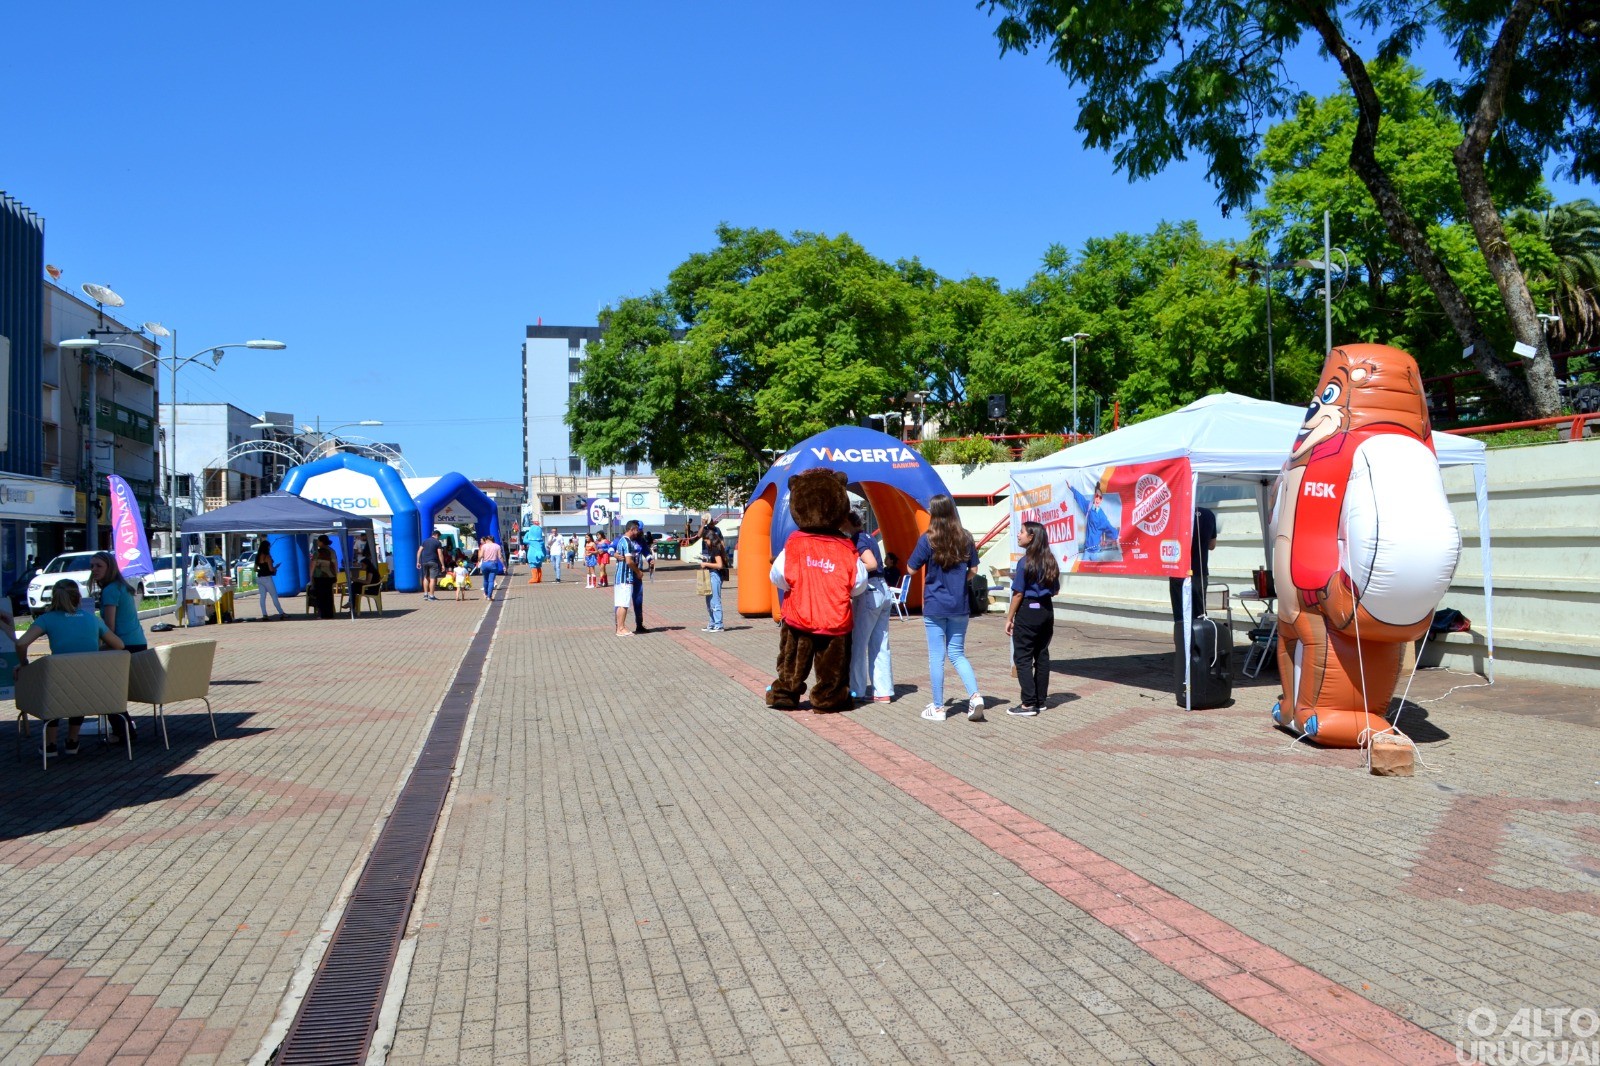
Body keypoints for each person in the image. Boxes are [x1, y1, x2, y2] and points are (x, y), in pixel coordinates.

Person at [14, 579, 125, 756]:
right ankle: (72, 741)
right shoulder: (91, 619)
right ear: (78, 597)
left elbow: (21, 643)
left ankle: (50, 744)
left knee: (52, 692)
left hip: (58, 683)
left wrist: (23, 662)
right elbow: (119, 645)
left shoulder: (47, 619)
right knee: (77, 688)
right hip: (91, 687)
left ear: (54, 598)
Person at [907, 494, 986, 722]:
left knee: (936, 657)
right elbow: (974, 570)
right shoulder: (966, 537)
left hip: (935, 604)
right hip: (959, 605)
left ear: (934, 513)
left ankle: (939, 708)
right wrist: (961, 580)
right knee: (957, 654)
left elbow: (911, 569)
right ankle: (975, 695)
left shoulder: (928, 539)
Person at [1005, 520, 1062, 716]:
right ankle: (1040, 700)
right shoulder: (1050, 561)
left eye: (1021, 532)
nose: (1018, 535)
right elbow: (1055, 591)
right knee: (1042, 654)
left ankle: (1028, 704)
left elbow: (1018, 593)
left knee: (1022, 657)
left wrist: (1009, 617)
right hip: (1046, 609)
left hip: (1028, 610)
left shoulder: (1025, 562)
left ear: (1032, 537)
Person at [90, 550, 147, 742]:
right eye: (92, 566)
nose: (94, 570)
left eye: (99, 566)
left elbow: (110, 627)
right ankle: (123, 730)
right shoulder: (121, 587)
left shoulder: (111, 590)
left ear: (110, 568)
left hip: (124, 645)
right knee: (109, 687)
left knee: (105, 689)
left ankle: (123, 732)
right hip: (137, 642)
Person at [844, 512, 894, 704]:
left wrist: (851, 569)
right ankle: (883, 691)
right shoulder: (870, 537)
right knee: (880, 643)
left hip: (869, 593)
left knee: (859, 643)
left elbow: (871, 563)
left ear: (849, 522)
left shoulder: (857, 539)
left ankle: (857, 689)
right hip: (883, 590)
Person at [1169, 506, 1219, 620]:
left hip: (1179, 571)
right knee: (1199, 612)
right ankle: (1199, 636)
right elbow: (1212, 545)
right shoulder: (1209, 514)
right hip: (1199, 571)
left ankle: (1183, 637)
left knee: (1181, 613)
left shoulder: (1176, 514)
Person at [1068, 482, 1120, 560]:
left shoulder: (1102, 516)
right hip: (1086, 551)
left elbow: (1109, 528)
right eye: (1096, 496)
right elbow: (1080, 499)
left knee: (1097, 572)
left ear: (1101, 500)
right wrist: (1071, 488)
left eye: (1100, 498)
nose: (1098, 499)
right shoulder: (1088, 507)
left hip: (1096, 553)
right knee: (1081, 571)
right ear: (1094, 497)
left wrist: (1117, 535)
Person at [612, 521, 646, 636]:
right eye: (636, 530)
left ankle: (620, 627)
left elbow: (617, 553)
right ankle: (621, 628)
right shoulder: (627, 542)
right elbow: (629, 561)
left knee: (620, 603)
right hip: (625, 577)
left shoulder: (621, 541)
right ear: (632, 529)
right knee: (624, 603)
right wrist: (638, 572)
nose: (638, 532)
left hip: (619, 577)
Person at [697, 515, 729, 633]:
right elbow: (699, 535)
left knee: (715, 599)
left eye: (706, 541)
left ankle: (719, 624)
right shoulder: (710, 547)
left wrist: (706, 565)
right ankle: (712, 623)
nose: (705, 543)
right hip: (710, 573)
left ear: (710, 539)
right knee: (709, 599)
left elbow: (719, 565)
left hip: (715, 574)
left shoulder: (715, 548)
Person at [254, 536, 287, 620]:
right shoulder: (268, 557)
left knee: (262, 597)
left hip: (259, 578)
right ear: (267, 547)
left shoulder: (257, 556)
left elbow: (255, 569)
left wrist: (261, 570)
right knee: (274, 595)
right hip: (267, 578)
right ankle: (281, 613)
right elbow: (271, 569)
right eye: (269, 547)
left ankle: (264, 614)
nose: (269, 548)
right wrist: (275, 567)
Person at [308, 535, 338, 619]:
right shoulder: (332, 551)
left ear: (321, 542)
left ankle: (322, 614)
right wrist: (336, 574)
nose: (317, 542)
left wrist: (311, 576)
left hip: (319, 576)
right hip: (330, 576)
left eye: (318, 541)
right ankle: (329, 614)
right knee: (329, 595)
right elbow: (335, 563)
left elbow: (312, 565)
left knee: (320, 596)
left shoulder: (317, 552)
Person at [418, 528, 446, 601]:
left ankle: (425, 594)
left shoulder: (425, 541)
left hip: (424, 562)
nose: (439, 538)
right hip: (433, 562)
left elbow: (419, 551)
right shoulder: (437, 542)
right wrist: (443, 564)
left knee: (426, 577)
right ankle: (431, 596)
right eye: (439, 536)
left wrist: (418, 561)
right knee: (433, 579)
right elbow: (440, 554)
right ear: (436, 535)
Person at [478, 534, 505, 600]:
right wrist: (504, 565)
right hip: (493, 564)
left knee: (485, 580)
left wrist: (479, 561)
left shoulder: (484, 546)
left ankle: (486, 593)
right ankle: (489, 596)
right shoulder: (497, 546)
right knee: (491, 581)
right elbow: (500, 557)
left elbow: (480, 555)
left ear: (487, 540)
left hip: (485, 564)